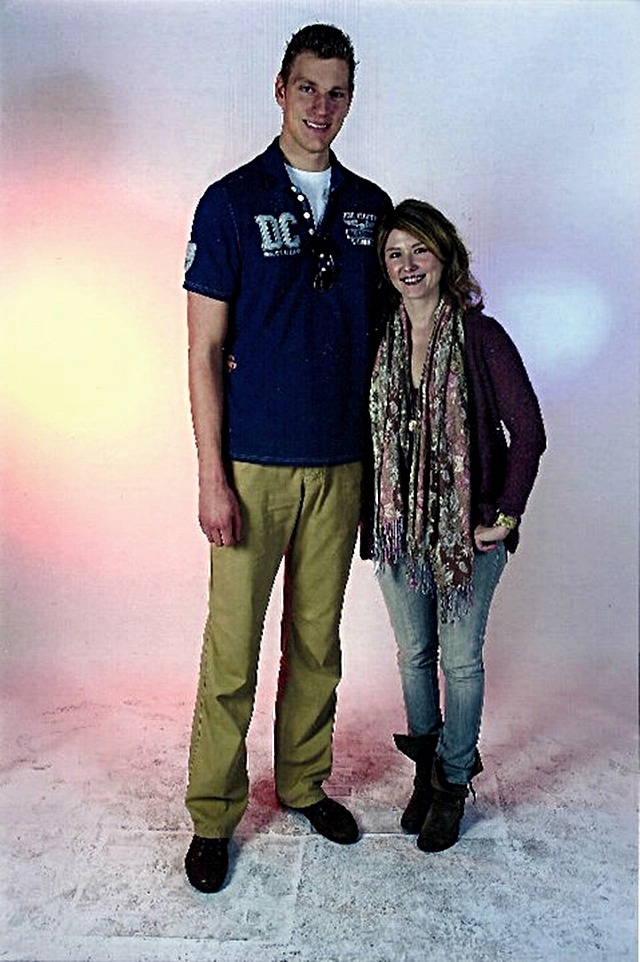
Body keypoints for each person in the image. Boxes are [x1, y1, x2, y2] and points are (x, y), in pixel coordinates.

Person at [182, 24, 391, 892]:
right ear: (279, 89)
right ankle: (212, 815)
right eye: (307, 88)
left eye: (337, 92)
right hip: (253, 466)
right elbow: (203, 351)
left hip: (339, 463)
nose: (321, 107)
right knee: (232, 650)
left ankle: (303, 783)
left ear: (351, 100)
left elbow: (392, 337)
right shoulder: (230, 202)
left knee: (317, 641)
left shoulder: (372, 208)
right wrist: (211, 477)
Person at [367, 199, 546, 852]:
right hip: (398, 531)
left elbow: (527, 431)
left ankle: (451, 781)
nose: (408, 264)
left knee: (460, 660)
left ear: (444, 255)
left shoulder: (480, 336)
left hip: (469, 535)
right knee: (414, 654)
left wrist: (505, 514)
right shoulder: (379, 338)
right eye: (395, 254)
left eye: (420, 249)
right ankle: (424, 772)